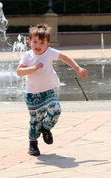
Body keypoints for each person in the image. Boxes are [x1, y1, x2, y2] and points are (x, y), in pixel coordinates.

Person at [17, 23, 88, 156]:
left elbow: (65, 58)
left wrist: (77, 68)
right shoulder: (27, 56)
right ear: (29, 41)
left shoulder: (50, 52)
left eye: (42, 42)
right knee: (35, 121)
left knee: (56, 110)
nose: (38, 45)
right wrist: (33, 68)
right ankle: (33, 143)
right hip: (32, 95)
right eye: (35, 42)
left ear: (48, 43)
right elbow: (19, 72)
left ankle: (46, 128)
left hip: (48, 91)